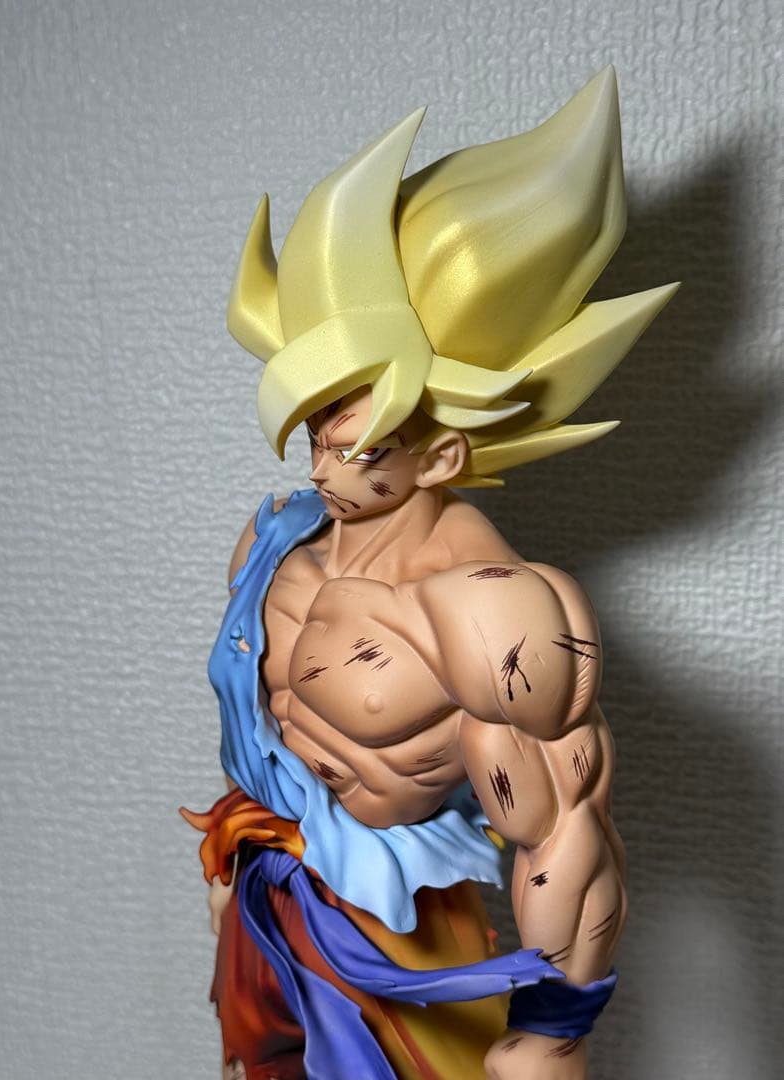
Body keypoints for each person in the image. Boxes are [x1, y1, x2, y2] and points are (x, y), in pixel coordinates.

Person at [182, 67, 677, 1080]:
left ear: (442, 456)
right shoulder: (274, 541)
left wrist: (552, 1033)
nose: (321, 472)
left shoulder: (487, 611)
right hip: (268, 899)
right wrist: (232, 866)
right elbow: (255, 727)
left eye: (356, 451)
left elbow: (565, 829)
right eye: (316, 441)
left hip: (403, 943)